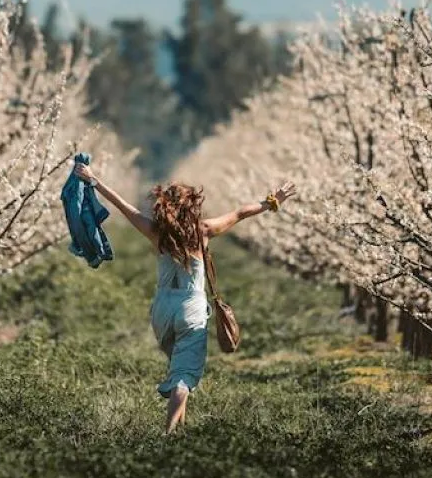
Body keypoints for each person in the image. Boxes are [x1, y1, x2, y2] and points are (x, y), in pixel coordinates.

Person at [71, 159, 296, 434]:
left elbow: (123, 206)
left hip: (162, 309)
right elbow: (240, 213)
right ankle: (167, 434)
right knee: (183, 376)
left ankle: (180, 430)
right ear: (193, 206)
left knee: (177, 366)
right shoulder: (204, 231)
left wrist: (93, 179)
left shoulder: (156, 232)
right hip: (191, 307)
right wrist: (273, 201)